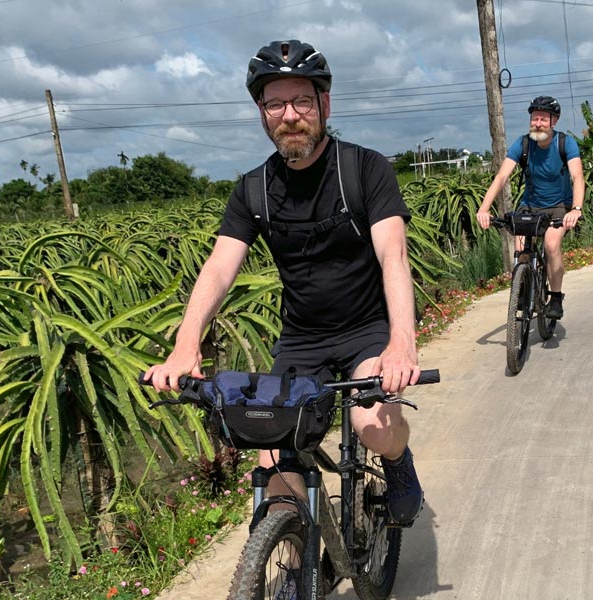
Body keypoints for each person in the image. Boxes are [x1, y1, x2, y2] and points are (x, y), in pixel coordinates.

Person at [143, 39, 424, 532]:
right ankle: (288, 569)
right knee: (273, 458)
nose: (289, 115)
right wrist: (186, 344)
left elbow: (392, 254)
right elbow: (218, 268)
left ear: (324, 105)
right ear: (262, 112)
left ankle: (398, 464)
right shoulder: (253, 190)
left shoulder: (364, 169)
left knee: (372, 427)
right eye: (275, 103)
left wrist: (402, 343)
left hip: (367, 328)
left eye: (301, 101)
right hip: (302, 338)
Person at [475, 95, 585, 320]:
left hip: (559, 206)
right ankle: (523, 287)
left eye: (543, 119)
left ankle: (555, 296)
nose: (537, 123)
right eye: (535, 118)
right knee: (521, 247)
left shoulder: (565, 143)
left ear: (554, 121)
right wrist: (483, 209)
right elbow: (501, 177)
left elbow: (578, 177)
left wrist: (576, 209)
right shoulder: (523, 144)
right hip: (530, 206)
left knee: (552, 244)